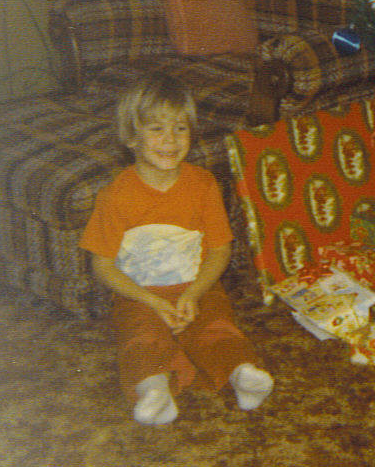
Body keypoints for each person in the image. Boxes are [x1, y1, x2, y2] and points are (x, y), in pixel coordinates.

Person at [81, 72, 273, 425]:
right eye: (157, 129)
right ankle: (154, 390)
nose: (170, 140)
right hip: (139, 295)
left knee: (216, 325)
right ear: (131, 137)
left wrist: (195, 293)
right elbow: (103, 265)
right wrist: (152, 301)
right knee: (141, 336)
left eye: (180, 129)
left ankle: (242, 374)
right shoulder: (115, 196)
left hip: (198, 286)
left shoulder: (203, 184)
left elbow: (220, 249)